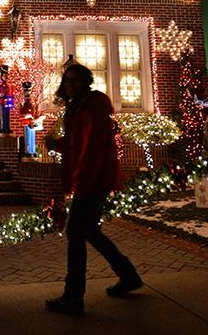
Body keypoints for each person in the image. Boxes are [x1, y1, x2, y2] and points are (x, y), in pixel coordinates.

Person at [46, 64, 142, 316]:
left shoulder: (93, 105)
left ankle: (73, 297)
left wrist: (81, 179)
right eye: (67, 80)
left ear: (87, 82)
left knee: (75, 233)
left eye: (76, 80)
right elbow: (78, 141)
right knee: (90, 231)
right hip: (90, 177)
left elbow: (93, 144)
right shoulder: (78, 105)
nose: (71, 85)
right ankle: (128, 275)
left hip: (94, 178)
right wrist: (58, 144)